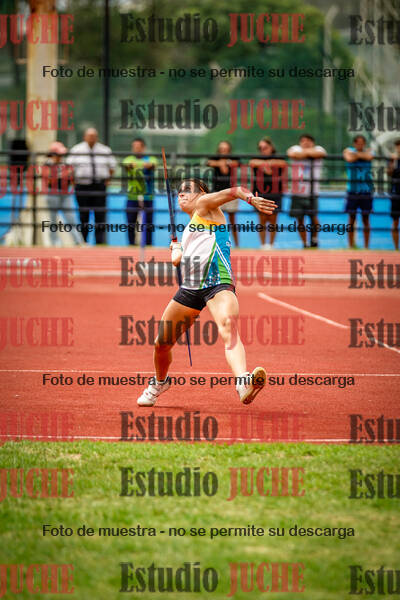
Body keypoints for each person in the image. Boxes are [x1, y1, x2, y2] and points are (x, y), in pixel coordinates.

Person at [136, 179, 277, 407]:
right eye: (179, 191)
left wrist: (251, 199)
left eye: (187, 189)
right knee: (161, 343)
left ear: (202, 193)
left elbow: (235, 191)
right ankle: (160, 382)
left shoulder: (205, 205)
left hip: (217, 283)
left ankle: (243, 382)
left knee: (228, 329)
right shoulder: (189, 229)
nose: (181, 194)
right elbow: (177, 261)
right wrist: (177, 249)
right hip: (190, 288)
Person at [66, 128, 116, 244]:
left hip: (99, 185)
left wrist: (107, 179)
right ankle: (83, 241)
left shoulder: (105, 150)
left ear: (97, 137)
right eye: (89, 136)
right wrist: (73, 181)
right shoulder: (77, 150)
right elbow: (69, 168)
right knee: (84, 215)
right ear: (84, 137)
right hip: (82, 186)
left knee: (100, 215)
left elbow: (112, 167)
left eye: (93, 136)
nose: (91, 138)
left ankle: (100, 242)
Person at [287, 134, 326, 248]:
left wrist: (304, 154)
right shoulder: (295, 148)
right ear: (300, 143)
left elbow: (320, 154)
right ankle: (305, 243)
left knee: (314, 217)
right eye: (303, 141)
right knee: (299, 219)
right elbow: (292, 154)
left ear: (313, 142)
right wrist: (308, 154)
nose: (306, 143)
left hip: (312, 192)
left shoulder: (319, 149)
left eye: (308, 141)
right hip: (297, 192)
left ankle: (314, 240)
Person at [43, 141, 84, 246]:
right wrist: (64, 175)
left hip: (65, 193)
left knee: (71, 218)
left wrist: (64, 176)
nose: (60, 157)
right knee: (52, 220)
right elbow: (49, 181)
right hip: (52, 193)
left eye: (61, 154)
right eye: (58, 154)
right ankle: (54, 243)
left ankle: (78, 242)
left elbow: (71, 179)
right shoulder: (47, 164)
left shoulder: (66, 164)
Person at [249, 137, 287, 249]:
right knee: (262, 219)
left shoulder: (278, 158)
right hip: (260, 192)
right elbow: (252, 163)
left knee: (273, 219)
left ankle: (271, 244)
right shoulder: (256, 158)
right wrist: (268, 165)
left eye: (265, 147)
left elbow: (282, 164)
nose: (263, 150)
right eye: (260, 148)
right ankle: (263, 245)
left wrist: (264, 164)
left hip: (275, 192)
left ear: (271, 147)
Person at [122, 138, 158, 246]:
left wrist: (138, 165)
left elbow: (152, 165)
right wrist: (143, 165)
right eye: (134, 147)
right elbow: (128, 165)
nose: (136, 149)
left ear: (143, 148)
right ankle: (131, 245)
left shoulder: (151, 158)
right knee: (130, 223)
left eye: (138, 147)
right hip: (132, 196)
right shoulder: (128, 159)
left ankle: (148, 245)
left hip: (148, 197)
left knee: (148, 224)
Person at [343, 135, 374, 249]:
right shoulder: (348, 150)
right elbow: (349, 158)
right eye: (358, 143)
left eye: (362, 143)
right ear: (354, 144)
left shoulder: (369, 151)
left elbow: (369, 156)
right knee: (351, 219)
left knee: (366, 219)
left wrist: (357, 155)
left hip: (366, 191)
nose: (360, 145)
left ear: (364, 144)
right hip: (352, 190)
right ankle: (351, 246)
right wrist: (361, 155)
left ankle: (366, 247)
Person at [207, 141, 240, 246]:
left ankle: (237, 245)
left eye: (225, 149)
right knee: (216, 220)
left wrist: (225, 162)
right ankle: (215, 244)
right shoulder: (215, 157)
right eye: (222, 149)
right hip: (217, 193)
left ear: (229, 149)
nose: (223, 151)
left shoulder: (234, 158)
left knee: (232, 220)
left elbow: (237, 163)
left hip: (231, 193)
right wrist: (222, 163)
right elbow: (209, 162)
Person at [387, 139, 400, 250]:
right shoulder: (392, 159)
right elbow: (389, 173)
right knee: (395, 221)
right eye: (398, 146)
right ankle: (396, 248)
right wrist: (393, 162)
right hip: (396, 194)